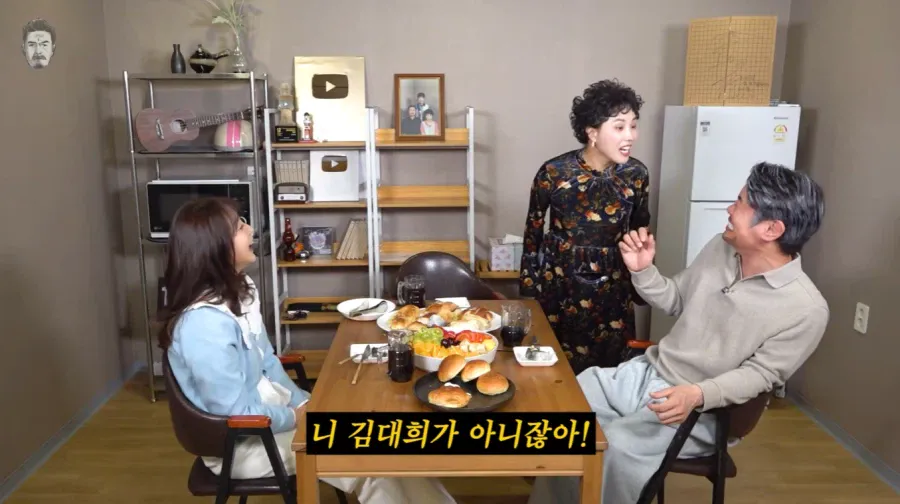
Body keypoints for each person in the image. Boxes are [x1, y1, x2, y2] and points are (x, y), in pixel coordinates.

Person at [527, 162, 829, 504]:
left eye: (741, 202)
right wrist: (643, 271)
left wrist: (696, 395)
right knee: (563, 407)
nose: (730, 209)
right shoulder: (721, 247)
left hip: (698, 408)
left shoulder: (806, 309)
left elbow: (760, 376)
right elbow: (676, 299)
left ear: (771, 229)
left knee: (614, 447)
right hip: (648, 373)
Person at [158, 197, 457, 504]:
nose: (250, 230)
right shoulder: (204, 326)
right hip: (245, 445)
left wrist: (305, 404)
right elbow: (237, 415)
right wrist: (295, 416)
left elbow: (268, 363)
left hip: (272, 419)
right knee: (371, 455)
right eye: (238, 227)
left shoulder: (238, 292)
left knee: (385, 437)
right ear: (214, 247)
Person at [519, 79, 651, 374]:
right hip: (561, 280)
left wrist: (640, 285)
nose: (630, 135)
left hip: (613, 282)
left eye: (633, 126)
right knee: (555, 367)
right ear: (592, 132)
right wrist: (529, 289)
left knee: (611, 369)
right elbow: (533, 231)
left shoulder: (637, 173)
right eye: (619, 127)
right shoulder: (553, 172)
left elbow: (641, 231)